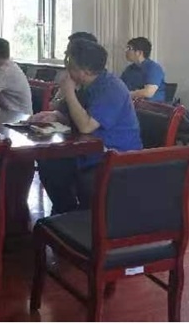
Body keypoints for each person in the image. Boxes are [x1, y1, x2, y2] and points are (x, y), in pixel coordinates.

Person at [30, 39, 142, 214]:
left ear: (86, 71)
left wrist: (68, 92)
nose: (67, 68)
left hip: (113, 156)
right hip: (89, 151)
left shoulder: (111, 88)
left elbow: (86, 126)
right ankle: (65, 213)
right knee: (48, 162)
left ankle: (81, 217)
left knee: (62, 169)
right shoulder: (86, 85)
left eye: (71, 64)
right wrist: (56, 116)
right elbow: (76, 116)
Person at [49, 32, 99, 110]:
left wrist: (69, 93)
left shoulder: (100, 88)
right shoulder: (71, 78)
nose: (67, 60)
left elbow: (86, 118)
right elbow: (53, 106)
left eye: (69, 55)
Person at [120, 37, 166, 102]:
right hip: (131, 104)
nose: (126, 51)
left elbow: (148, 92)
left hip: (150, 106)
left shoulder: (153, 68)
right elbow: (119, 86)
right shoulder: (129, 69)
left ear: (139, 52)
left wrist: (126, 94)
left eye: (129, 48)